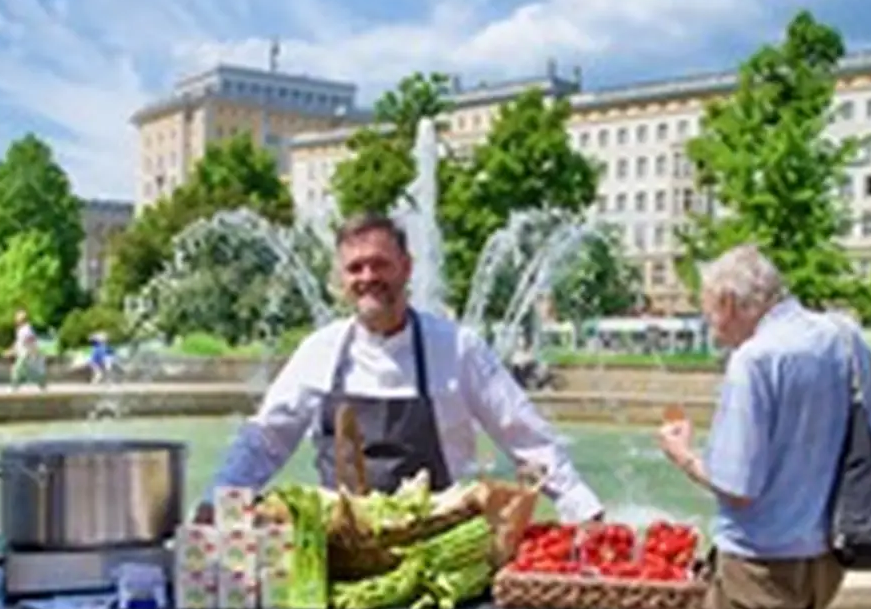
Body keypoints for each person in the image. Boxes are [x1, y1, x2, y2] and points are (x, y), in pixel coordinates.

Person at [194, 212, 605, 522]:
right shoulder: (320, 350)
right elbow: (266, 439)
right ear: (341, 279)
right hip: (343, 544)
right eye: (355, 268)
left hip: (438, 543)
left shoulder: (457, 347)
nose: (367, 277)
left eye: (380, 264)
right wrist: (218, 501)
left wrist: (583, 508)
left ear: (406, 268)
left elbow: (525, 435)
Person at [656, 245, 871, 609]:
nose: (711, 327)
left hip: (759, 561)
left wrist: (685, 456)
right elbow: (870, 438)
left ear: (731, 303)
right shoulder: (843, 338)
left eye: (709, 310)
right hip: (827, 552)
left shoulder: (754, 360)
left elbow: (738, 484)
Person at [5, 309, 47, 391]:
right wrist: (11, 350)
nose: (15, 320)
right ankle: (42, 384)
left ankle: (14, 387)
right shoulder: (22, 330)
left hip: (26, 354)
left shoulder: (26, 330)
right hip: (24, 354)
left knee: (17, 370)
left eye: (17, 318)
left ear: (22, 320)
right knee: (29, 371)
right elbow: (18, 343)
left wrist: (34, 353)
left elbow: (31, 342)